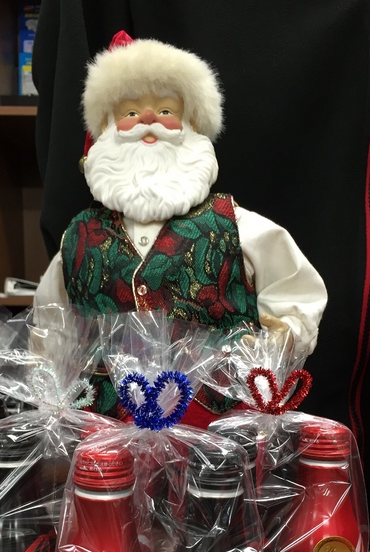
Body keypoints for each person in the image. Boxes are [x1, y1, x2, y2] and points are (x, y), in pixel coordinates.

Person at [34, 33, 327, 425]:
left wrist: (280, 342)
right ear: (106, 130)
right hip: (104, 433)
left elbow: (296, 291)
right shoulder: (78, 237)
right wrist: (50, 386)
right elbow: (51, 327)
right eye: (131, 113)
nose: (149, 121)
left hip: (217, 434)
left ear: (192, 126)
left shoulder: (235, 225)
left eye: (166, 110)